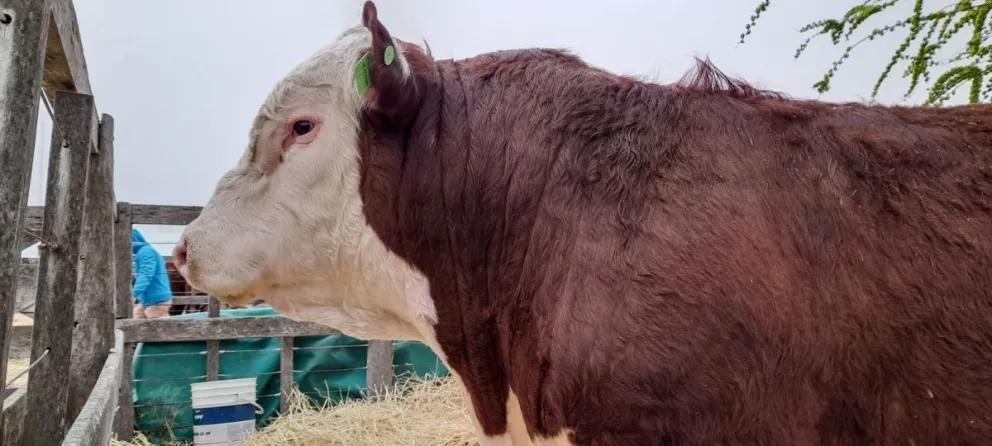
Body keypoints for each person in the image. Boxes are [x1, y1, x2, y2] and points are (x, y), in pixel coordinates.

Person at [131, 228, 173, 318]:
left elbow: (145, 275)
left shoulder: (146, 252)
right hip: (150, 300)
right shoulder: (144, 251)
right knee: (136, 320)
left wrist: (133, 294)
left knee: (158, 330)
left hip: (156, 301)